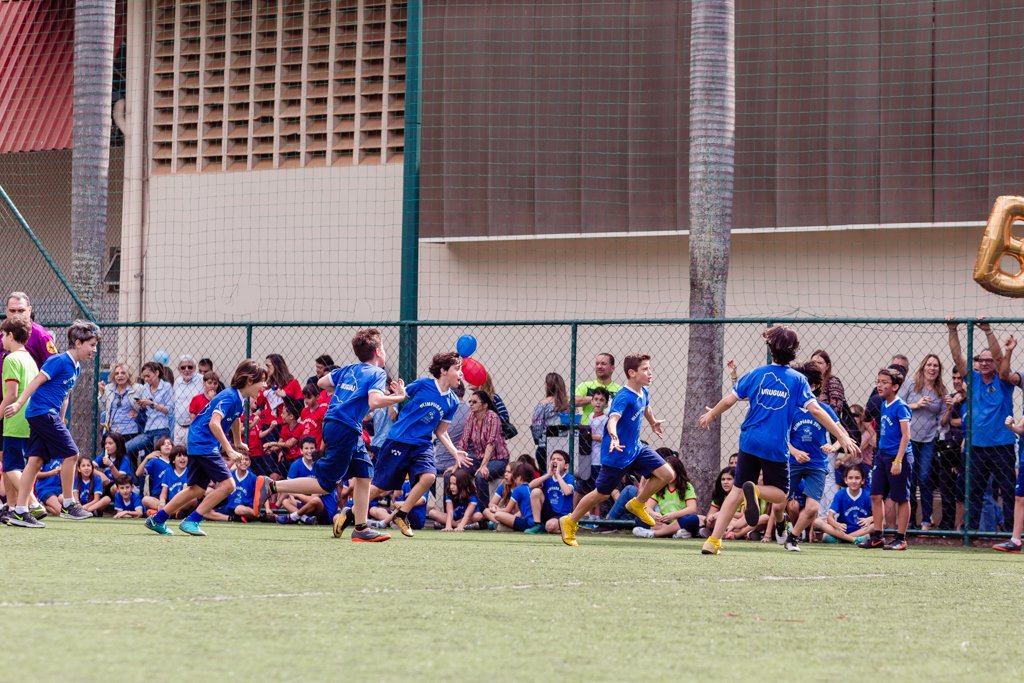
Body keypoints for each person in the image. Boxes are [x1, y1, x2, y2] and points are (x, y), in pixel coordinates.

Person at [697, 326, 859, 555]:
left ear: (771, 350)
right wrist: (842, 435)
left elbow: (729, 400)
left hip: (749, 441)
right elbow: (816, 411)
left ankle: (712, 542)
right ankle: (756, 491)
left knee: (736, 491)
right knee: (781, 494)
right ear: (795, 352)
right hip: (775, 445)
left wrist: (711, 414)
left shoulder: (756, 373)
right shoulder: (798, 380)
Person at [259, 329, 406, 543]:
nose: (384, 351)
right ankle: (272, 485)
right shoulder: (377, 373)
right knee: (324, 484)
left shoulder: (349, 369)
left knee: (365, 474)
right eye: (383, 347)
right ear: (377, 351)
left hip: (342, 426)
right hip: (344, 426)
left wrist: (347, 391)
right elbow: (374, 401)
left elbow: (322, 383)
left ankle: (361, 528)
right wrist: (398, 397)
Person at [559, 354, 674, 547]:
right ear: (632, 373)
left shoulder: (643, 391)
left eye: (649, 368)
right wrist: (613, 436)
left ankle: (637, 503)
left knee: (667, 474)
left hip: (636, 449)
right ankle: (570, 521)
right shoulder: (623, 396)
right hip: (617, 453)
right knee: (602, 493)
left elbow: (645, 407)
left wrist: (653, 422)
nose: (650, 372)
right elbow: (613, 419)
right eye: (645, 369)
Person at [144, 360, 267, 536]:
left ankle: (157, 519)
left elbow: (235, 418)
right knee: (228, 485)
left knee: (196, 489)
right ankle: (192, 520)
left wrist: (238, 442)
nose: (264, 385)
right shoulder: (229, 396)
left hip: (198, 441)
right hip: (204, 443)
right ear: (249, 380)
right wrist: (229, 449)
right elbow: (214, 423)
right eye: (262, 381)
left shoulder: (238, 399)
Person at [3, 320, 101, 527]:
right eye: (91, 345)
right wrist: (19, 403)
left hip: (47, 415)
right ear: (78, 343)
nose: (94, 349)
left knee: (35, 461)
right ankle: (69, 504)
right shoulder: (59, 360)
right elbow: (36, 382)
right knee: (72, 454)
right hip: (41, 413)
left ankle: (20, 511)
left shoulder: (76, 367)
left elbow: (64, 396)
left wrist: (62, 420)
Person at [367, 351, 468, 538]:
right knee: (380, 487)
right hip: (399, 439)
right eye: (457, 368)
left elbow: (441, 431)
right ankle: (351, 510)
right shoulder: (423, 385)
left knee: (429, 477)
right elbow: (402, 395)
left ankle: (401, 514)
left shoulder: (452, 401)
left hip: (422, 444)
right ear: (443, 370)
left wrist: (455, 452)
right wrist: (399, 393)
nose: (461, 373)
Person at [948, 319, 1016, 530]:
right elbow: (957, 357)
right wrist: (952, 329)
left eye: (989, 360)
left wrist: (987, 330)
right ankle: (972, 531)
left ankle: (1010, 533)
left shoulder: (1003, 380)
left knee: (1007, 490)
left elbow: (1000, 358)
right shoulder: (974, 379)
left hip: (1002, 445)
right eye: (980, 360)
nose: (985, 363)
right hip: (977, 446)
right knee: (975, 491)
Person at [782, 362, 842, 552]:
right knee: (779, 501)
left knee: (813, 508)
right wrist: (794, 451)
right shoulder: (791, 409)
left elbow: (842, 436)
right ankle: (780, 523)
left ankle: (792, 538)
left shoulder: (823, 409)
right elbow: (781, 437)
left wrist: (833, 446)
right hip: (793, 462)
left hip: (816, 464)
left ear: (814, 386)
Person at [0, 317, 46, 523]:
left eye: (3, 335)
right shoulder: (30, 359)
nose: (2, 339)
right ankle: (18, 507)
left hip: (15, 420)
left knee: (10, 466)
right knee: (22, 466)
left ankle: (33, 503)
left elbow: (11, 394)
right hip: (30, 419)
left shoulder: (10, 359)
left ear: (11, 336)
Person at [862, 368, 913, 550]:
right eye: (878, 381)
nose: (880, 385)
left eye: (884, 382)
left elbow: (906, 435)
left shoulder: (901, 406)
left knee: (901, 498)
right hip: (882, 456)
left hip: (897, 457)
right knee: (876, 495)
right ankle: (877, 536)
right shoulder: (883, 405)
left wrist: (898, 461)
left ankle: (901, 538)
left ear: (895, 387)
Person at [899, 354, 946, 530]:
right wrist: (916, 405)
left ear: (939, 370)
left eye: (935, 366)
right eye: (929, 365)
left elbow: (942, 419)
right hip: (909, 438)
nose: (932, 368)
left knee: (925, 477)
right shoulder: (911, 385)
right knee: (910, 479)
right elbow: (898, 405)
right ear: (923, 367)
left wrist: (949, 408)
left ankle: (926, 520)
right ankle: (909, 521)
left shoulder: (941, 391)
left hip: (928, 440)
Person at [459, 390, 511, 506]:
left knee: (480, 476)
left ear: (484, 405)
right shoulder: (471, 417)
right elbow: (464, 440)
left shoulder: (493, 417)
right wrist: (456, 463)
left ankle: (484, 512)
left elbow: (491, 443)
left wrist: (484, 465)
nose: (471, 404)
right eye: (470, 402)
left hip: (498, 459)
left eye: (474, 402)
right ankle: (460, 510)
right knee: (457, 474)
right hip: (480, 458)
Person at [630, 455, 701, 539]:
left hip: (679, 521)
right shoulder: (658, 485)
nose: (668, 473)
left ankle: (655, 534)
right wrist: (653, 514)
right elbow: (647, 507)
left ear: (678, 471)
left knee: (692, 519)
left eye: (671, 470)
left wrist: (674, 515)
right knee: (639, 519)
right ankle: (673, 533)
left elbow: (692, 509)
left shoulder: (686, 486)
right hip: (663, 522)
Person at [125, 362, 173, 459]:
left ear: (157, 373)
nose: (146, 379)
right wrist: (142, 405)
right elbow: (145, 408)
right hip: (148, 428)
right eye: (144, 377)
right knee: (127, 447)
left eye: (148, 376)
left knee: (157, 457)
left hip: (161, 428)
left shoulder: (166, 386)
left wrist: (152, 404)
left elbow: (168, 409)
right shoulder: (145, 387)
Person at [815, 464, 873, 543]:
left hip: (861, 530)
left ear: (862, 481)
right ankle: (853, 539)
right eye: (850, 478)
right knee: (817, 522)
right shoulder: (840, 494)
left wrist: (869, 519)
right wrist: (837, 524)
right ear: (845, 480)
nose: (853, 481)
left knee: (876, 525)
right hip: (843, 530)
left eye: (857, 478)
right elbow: (830, 518)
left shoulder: (868, 495)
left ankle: (842, 539)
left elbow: (879, 517)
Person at [1, 292, 56, 370]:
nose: (16, 314)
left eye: (21, 310)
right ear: (6, 311)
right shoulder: (2, 333)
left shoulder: (41, 335)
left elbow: (55, 366)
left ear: (29, 310)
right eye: (12, 311)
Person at [525, 450, 575, 534]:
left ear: (566, 466)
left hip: (562, 514)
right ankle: (537, 525)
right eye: (553, 459)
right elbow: (530, 486)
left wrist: (558, 475)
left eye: (559, 460)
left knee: (550, 526)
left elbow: (567, 492)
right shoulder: (547, 476)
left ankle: (566, 527)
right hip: (548, 511)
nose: (555, 461)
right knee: (536, 492)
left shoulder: (569, 478)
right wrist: (548, 475)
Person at [530, 372, 571, 470]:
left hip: (545, 445)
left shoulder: (542, 405)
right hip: (565, 446)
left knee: (546, 473)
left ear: (548, 386)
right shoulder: (568, 405)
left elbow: (537, 429)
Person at [207, 453, 261, 523]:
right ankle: (233, 518)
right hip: (230, 507)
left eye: (246, 459)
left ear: (250, 462)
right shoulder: (229, 476)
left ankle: (261, 516)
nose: (243, 462)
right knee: (205, 512)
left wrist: (267, 509)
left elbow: (262, 492)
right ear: (235, 462)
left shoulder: (254, 478)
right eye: (240, 460)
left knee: (239, 509)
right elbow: (220, 490)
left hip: (245, 509)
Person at [574, 353, 622, 426]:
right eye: (597, 364)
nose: (599, 366)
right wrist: (598, 399)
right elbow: (572, 401)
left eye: (603, 364)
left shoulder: (619, 390)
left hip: (610, 430)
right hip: (587, 430)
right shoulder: (585, 386)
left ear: (612, 368)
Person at [487, 462, 536, 532]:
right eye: (505, 471)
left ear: (519, 476)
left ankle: (501, 524)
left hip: (522, 519)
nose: (505, 474)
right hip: (521, 518)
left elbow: (508, 510)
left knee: (498, 515)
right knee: (486, 511)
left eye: (509, 472)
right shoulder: (527, 487)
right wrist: (494, 507)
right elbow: (492, 504)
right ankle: (501, 523)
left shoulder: (518, 489)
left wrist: (496, 510)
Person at [98, 362, 140, 441]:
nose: (119, 375)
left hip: (130, 430)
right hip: (112, 431)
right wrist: (102, 393)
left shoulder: (137, 388)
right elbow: (103, 408)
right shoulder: (108, 388)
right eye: (116, 373)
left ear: (128, 374)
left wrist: (139, 412)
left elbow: (145, 406)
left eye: (123, 373)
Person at [864, 355, 910, 425]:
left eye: (900, 367)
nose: (896, 370)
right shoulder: (878, 392)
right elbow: (867, 416)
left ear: (906, 371)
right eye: (893, 367)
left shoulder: (911, 388)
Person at [170, 354, 203, 446]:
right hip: (179, 426)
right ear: (179, 369)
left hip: (195, 426)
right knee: (178, 452)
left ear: (195, 368)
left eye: (190, 367)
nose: (186, 370)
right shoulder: (177, 381)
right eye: (183, 367)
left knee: (192, 453)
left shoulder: (201, 380)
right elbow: (174, 402)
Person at [137, 435, 174, 510]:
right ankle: (171, 511)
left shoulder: (176, 461)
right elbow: (138, 473)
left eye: (169, 444)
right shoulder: (154, 461)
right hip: (158, 496)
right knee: (145, 500)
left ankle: (162, 511)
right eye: (163, 444)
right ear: (159, 448)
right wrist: (146, 458)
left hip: (173, 493)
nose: (167, 445)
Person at [810, 349, 846, 416]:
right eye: (813, 362)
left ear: (827, 366)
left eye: (819, 363)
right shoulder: (807, 382)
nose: (815, 365)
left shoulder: (833, 382)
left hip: (824, 420)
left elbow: (836, 409)